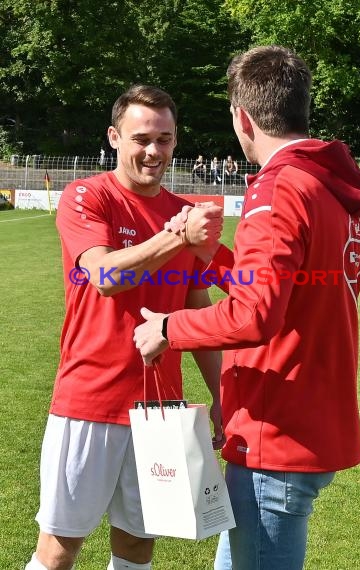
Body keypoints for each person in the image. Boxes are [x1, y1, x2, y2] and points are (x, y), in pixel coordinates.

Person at [133, 45, 360, 570]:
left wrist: (169, 328)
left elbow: (255, 315)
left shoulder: (280, 185)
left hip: (278, 429)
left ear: (243, 118)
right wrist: (210, 256)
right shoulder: (329, 184)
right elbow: (284, 293)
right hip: (306, 419)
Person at [25, 84, 224, 570]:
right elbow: (107, 276)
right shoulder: (87, 195)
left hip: (160, 409)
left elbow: (197, 310)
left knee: (137, 546)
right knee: (58, 550)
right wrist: (177, 234)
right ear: (115, 137)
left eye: (165, 138)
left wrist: (224, 396)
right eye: (141, 138)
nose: (154, 151)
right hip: (89, 400)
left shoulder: (182, 212)